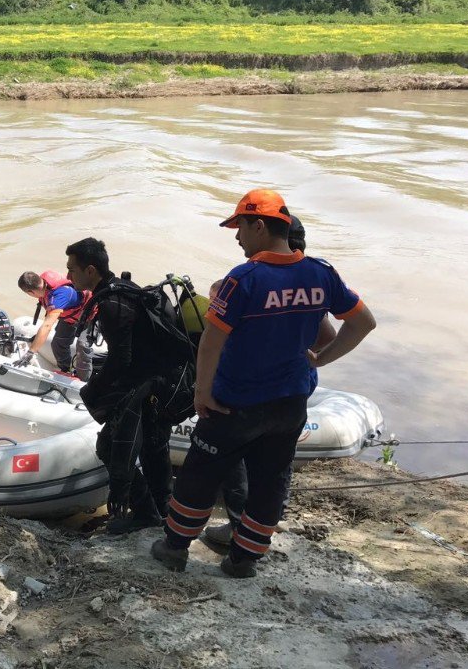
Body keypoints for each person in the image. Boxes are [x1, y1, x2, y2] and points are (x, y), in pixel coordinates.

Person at [151, 190, 376, 578]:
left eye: (240, 228)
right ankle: (243, 561)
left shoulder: (245, 279)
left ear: (259, 225)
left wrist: (201, 391)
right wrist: (322, 360)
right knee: (271, 482)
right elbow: (362, 323)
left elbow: (212, 340)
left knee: (200, 474)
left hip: (236, 402)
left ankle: (174, 548)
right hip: (290, 403)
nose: (237, 237)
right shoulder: (322, 273)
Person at [202, 214, 337, 550]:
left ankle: (236, 529)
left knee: (233, 461)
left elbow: (212, 342)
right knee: (275, 469)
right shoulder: (311, 283)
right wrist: (297, 352)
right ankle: (258, 531)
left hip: (249, 392)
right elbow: (329, 336)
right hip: (293, 388)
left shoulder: (246, 281)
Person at [65, 238, 175, 535]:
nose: (68, 277)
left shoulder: (112, 303)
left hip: (146, 387)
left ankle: (146, 513)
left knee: (110, 446)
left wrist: (93, 391)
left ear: (90, 270)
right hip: (161, 382)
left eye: (72, 269)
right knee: (154, 448)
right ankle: (163, 511)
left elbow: (121, 360)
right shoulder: (126, 289)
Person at [15, 270, 91, 379]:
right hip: (71, 316)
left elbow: (47, 326)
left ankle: (83, 380)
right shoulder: (43, 284)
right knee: (57, 343)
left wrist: (30, 353)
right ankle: (66, 370)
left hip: (90, 315)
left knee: (83, 345)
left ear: (30, 292)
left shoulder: (59, 296)